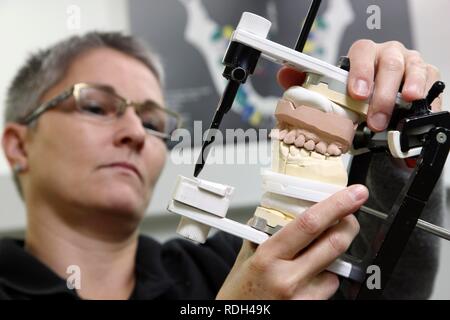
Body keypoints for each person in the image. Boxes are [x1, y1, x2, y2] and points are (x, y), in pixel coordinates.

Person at [0, 32, 444, 300]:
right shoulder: (249, 280)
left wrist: (400, 144)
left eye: (153, 121)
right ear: (19, 145)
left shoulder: (238, 265)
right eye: (96, 107)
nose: (136, 133)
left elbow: (388, 288)